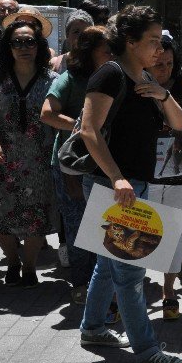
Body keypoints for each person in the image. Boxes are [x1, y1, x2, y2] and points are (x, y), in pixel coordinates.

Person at [78, 4, 182, 363]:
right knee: (130, 273)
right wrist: (116, 178)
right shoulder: (109, 75)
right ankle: (147, 352)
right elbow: (89, 131)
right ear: (130, 41)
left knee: (108, 266)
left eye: (161, 41)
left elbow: (179, 122)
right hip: (116, 186)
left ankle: (93, 328)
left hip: (133, 183)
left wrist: (161, 94)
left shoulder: (143, 77)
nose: (160, 49)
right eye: (153, 41)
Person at [0, 21, 59, 287]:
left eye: (30, 42)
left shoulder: (51, 79)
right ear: (8, 47)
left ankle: (30, 267)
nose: (24, 47)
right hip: (2, 157)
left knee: (36, 216)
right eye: (17, 42)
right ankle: (12, 261)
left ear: (39, 45)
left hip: (39, 159)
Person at [40, 25, 112, 303]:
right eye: (107, 51)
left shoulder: (116, 79)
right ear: (90, 52)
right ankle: (81, 282)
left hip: (106, 163)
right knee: (78, 225)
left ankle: (105, 282)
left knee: (105, 225)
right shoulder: (69, 79)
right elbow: (47, 114)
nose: (113, 56)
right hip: (73, 165)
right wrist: (83, 127)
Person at [147, 35, 182, 320]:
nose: (165, 70)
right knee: (138, 228)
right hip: (144, 170)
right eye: (159, 64)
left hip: (181, 170)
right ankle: (127, 291)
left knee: (172, 229)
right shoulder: (134, 85)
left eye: (170, 64)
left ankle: (169, 289)